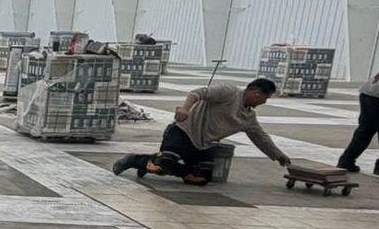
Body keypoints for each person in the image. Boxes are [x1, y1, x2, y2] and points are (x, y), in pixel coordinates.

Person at [113, 78, 289, 184]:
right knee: (168, 164)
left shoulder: (248, 117)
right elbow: (198, 93)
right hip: (182, 132)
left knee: (202, 179)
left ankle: (154, 163)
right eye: (266, 97)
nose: (265, 102)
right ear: (256, 93)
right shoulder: (230, 92)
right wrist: (185, 109)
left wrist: (278, 155)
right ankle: (137, 160)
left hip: (202, 145)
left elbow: (260, 137)